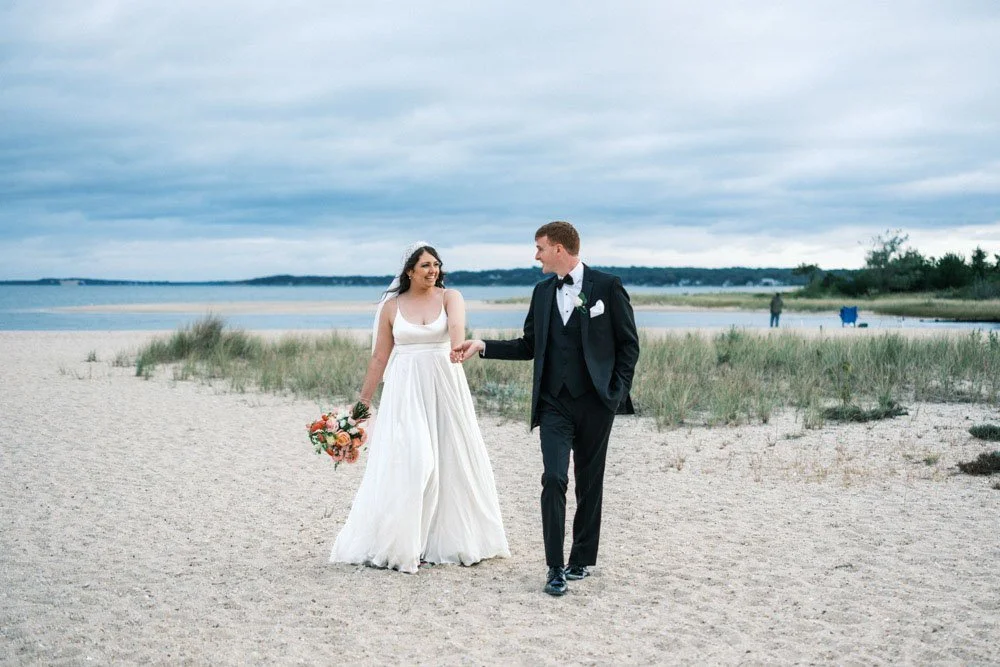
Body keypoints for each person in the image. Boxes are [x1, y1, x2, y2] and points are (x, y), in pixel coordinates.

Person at [454, 222, 640, 596]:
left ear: (559, 248)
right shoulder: (541, 293)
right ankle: (554, 567)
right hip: (554, 404)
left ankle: (580, 560)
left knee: (590, 484)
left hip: (595, 403)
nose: (535, 255)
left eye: (539, 248)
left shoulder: (607, 286)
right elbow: (529, 345)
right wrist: (483, 345)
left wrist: (615, 394)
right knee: (554, 478)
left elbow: (629, 346)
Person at [330, 242, 510, 573]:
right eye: (425, 265)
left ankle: (435, 543)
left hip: (444, 384)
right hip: (405, 390)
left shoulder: (450, 297)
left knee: (448, 461)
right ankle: (405, 542)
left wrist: (458, 348)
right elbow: (380, 357)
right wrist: (363, 403)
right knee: (416, 460)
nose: (433, 270)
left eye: (436, 264)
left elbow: (456, 328)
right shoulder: (391, 307)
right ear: (410, 271)